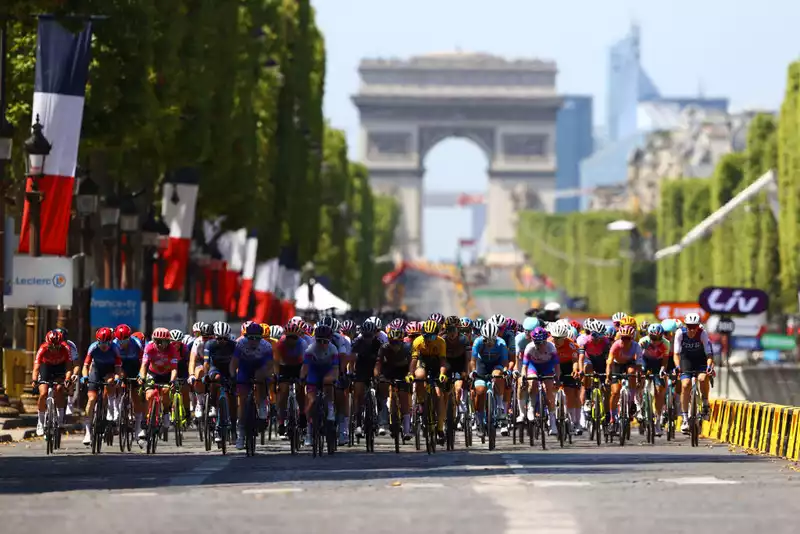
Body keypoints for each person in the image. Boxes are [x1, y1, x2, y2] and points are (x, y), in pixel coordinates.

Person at [231, 322, 274, 449]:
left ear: (261, 338)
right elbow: (234, 362)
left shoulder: (266, 346)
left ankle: (261, 405)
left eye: (257, 338)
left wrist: (270, 375)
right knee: (242, 401)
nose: (254, 341)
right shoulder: (240, 344)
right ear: (246, 337)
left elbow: (270, 365)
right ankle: (241, 435)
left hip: (260, 367)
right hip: (245, 368)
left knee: (261, 379)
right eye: (251, 338)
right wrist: (233, 375)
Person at [674, 312, 715, 433]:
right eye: (689, 326)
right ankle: (685, 418)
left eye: (694, 327)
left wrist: (709, 366)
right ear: (686, 326)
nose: (692, 330)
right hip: (686, 360)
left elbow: (709, 353)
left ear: (698, 326)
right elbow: (676, 354)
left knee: (702, 379)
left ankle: (706, 402)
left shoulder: (702, 333)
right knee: (685, 385)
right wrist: (677, 367)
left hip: (700, 360)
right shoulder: (680, 333)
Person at [300, 324, 340, 447]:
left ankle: (330, 408)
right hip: (314, 371)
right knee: (311, 401)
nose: (322, 344)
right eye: (319, 340)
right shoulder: (310, 349)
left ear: (329, 340)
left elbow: (335, 369)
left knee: (328, 384)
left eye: (325, 341)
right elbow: (305, 367)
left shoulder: (333, 349)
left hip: (328, 371)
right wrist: (302, 378)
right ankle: (309, 430)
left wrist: (334, 379)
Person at [81, 328, 122, 445]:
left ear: (111, 341)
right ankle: (88, 432)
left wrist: (117, 377)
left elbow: (118, 367)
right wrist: (84, 376)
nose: (103, 346)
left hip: (109, 370)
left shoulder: (115, 348)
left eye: (106, 343)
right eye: (101, 343)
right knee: (91, 399)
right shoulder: (93, 347)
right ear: (97, 341)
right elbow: (86, 365)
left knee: (110, 382)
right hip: (96, 370)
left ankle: (111, 408)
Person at [137, 327, 179, 442]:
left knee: (165, 391)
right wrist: (142, 377)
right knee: (149, 395)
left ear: (168, 342)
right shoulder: (149, 347)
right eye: (157, 341)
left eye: (163, 341)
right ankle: (145, 424)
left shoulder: (172, 350)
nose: (160, 344)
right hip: (153, 374)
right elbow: (144, 365)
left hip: (167, 374)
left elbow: (174, 369)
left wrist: (172, 381)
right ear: (153, 340)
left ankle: (165, 412)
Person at [410, 319, 447, 442]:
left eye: (432, 337)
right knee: (419, 376)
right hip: (423, 361)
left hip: (436, 364)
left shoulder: (441, 342)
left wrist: (442, 374)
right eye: (426, 336)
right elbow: (414, 361)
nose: (428, 339)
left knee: (438, 395)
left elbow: (442, 361)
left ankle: (440, 428)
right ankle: (421, 402)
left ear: (436, 335)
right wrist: (411, 374)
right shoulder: (417, 342)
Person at [31, 330, 73, 436]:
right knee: (43, 393)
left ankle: (60, 418)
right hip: (46, 367)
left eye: (56, 347)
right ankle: (40, 422)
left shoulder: (65, 348)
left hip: (60, 368)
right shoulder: (42, 348)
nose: (54, 349)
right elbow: (36, 368)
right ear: (47, 344)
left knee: (59, 389)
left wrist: (67, 379)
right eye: (51, 347)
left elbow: (68, 367)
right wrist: (34, 380)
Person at [470, 322, 509, 437]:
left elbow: (504, 361)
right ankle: (479, 421)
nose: (490, 343)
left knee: (498, 376)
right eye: (487, 340)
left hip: (496, 365)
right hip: (481, 366)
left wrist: (505, 370)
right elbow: (473, 360)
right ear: (483, 337)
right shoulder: (477, 342)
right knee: (480, 391)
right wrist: (473, 371)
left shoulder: (501, 343)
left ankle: (500, 407)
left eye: (492, 340)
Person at [375, 327, 413, 441]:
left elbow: (412, 363)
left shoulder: (407, 348)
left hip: (403, 372)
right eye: (392, 342)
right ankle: (384, 414)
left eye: (397, 342)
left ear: (402, 342)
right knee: (383, 387)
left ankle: (406, 429)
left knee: (404, 398)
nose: (395, 345)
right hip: (388, 371)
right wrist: (376, 375)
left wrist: (410, 374)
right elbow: (378, 364)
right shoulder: (384, 348)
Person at [521, 326, 559, 434]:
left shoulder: (551, 347)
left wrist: (557, 378)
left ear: (546, 340)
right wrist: (524, 376)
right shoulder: (529, 348)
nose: (540, 345)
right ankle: (532, 407)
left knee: (549, 392)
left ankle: (552, 422)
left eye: (542, 342)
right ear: (533, 341)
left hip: (547, 368)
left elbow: (557, 366)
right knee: (532, 381)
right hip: (534, 367)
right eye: (537, 343)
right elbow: (524, 366)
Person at [606, 325, 643, 428]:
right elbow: (609, 362)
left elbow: (639, 365)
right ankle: (612, 418)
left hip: (629, 364)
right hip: (617, 365)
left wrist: (638, 379)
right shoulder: (616, 345)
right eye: (623, 338)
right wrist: (607, 376)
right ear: (620, 337)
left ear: (632, 338)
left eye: (628, 338)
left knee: (632, 372)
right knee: (615, 392)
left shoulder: (636, 346)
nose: (625, 341)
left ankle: (631, 402)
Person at [639, 323, 670, 437]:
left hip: (658, 363)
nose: (655, 341)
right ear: (649, 335)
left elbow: (665, 361)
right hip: (645, 361)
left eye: (658, 338)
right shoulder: (643, 341)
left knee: (659, 390)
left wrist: (663, 369)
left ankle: (657, 421)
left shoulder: (666, 343)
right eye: (653, 338)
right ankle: (639, 405)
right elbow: (637, 357)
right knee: (639, 378)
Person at [114, 324, 145, 437]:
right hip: (120, 365)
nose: (122, 343)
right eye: (120, 340)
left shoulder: (137, 344)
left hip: (134, 366)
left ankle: (138, 427)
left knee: (136, 396)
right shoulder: (114, 344)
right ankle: (116, 406)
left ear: (130, 337)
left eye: (125, 340)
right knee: (116, 381)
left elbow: (143, 363)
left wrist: (140, 375)